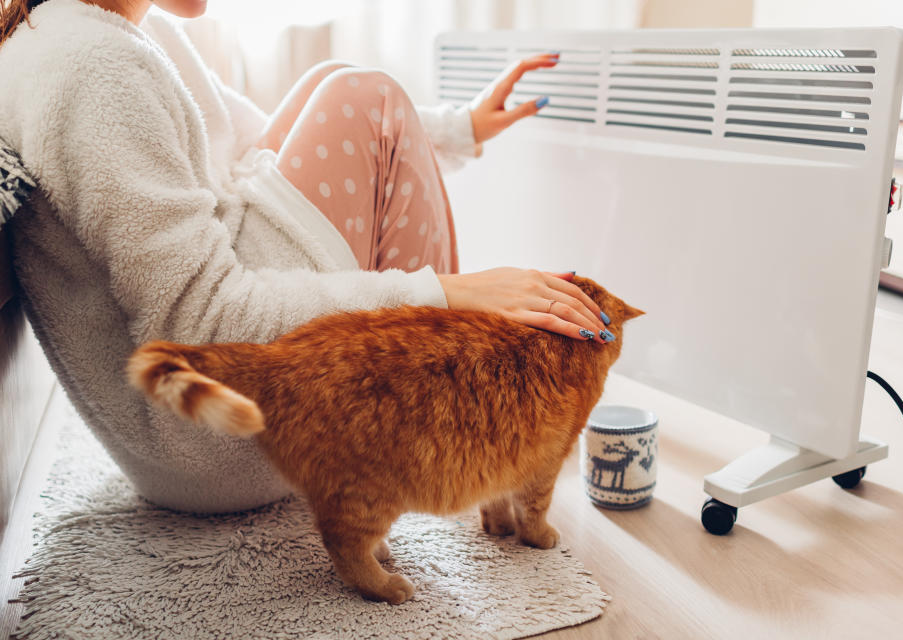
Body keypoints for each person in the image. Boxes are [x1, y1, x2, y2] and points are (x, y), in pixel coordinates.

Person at [0, 0, 613, 512]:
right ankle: (461, 432)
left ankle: (452, 415)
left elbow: (259, 139)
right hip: (212, 437)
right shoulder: (94, 68)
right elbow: (198, 324)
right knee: (359, 93)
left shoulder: (125, 31)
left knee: (339, 81)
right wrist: (441, 291)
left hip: (214, 418)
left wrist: (459, 128)